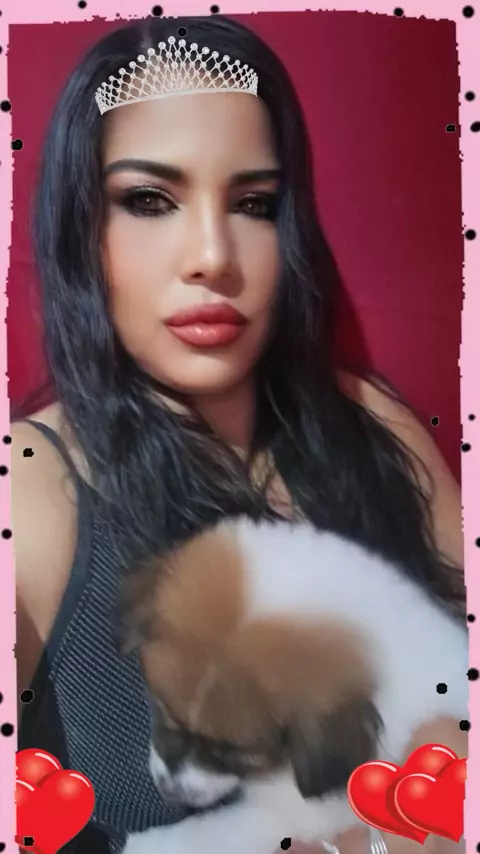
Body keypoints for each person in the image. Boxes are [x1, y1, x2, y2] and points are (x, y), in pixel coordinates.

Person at [11, 14, 466, 854]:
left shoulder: (368, 422)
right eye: (149, 200)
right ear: (81, 226)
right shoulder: (32, 482)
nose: (213, 255)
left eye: (255, 204)